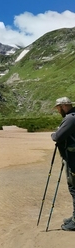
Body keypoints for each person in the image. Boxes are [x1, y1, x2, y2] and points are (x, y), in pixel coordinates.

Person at [52, 97, 75, 231]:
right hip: (72, 157)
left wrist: (53, 135)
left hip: (73, 159)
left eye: (59, 108)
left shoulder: (71, 118)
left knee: (74, 189)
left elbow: (58, 136)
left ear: (64, 106)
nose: (58, 110)